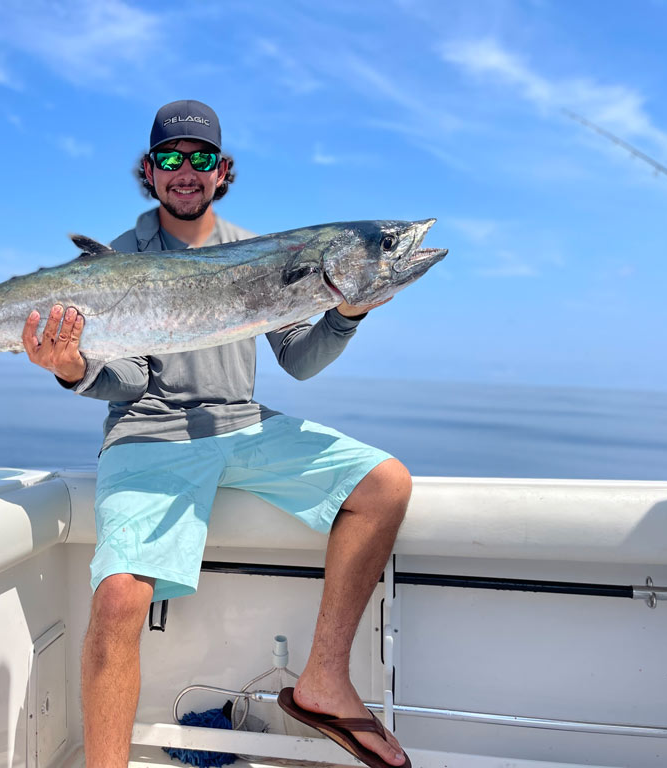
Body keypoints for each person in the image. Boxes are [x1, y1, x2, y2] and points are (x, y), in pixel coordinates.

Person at [21, 100, 412, 768]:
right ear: (149, 170)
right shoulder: (121, 258)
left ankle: (322, 679)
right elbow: (129, 382)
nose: (185, 171)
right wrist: (74, 370)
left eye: (199, 158)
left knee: (385, 485)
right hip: (149, 434)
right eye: (170, 158)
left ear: (221, 170)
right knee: (118, 597)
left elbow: (300, 360)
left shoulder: (263, 252)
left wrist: (346, 315)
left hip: (243, 424)